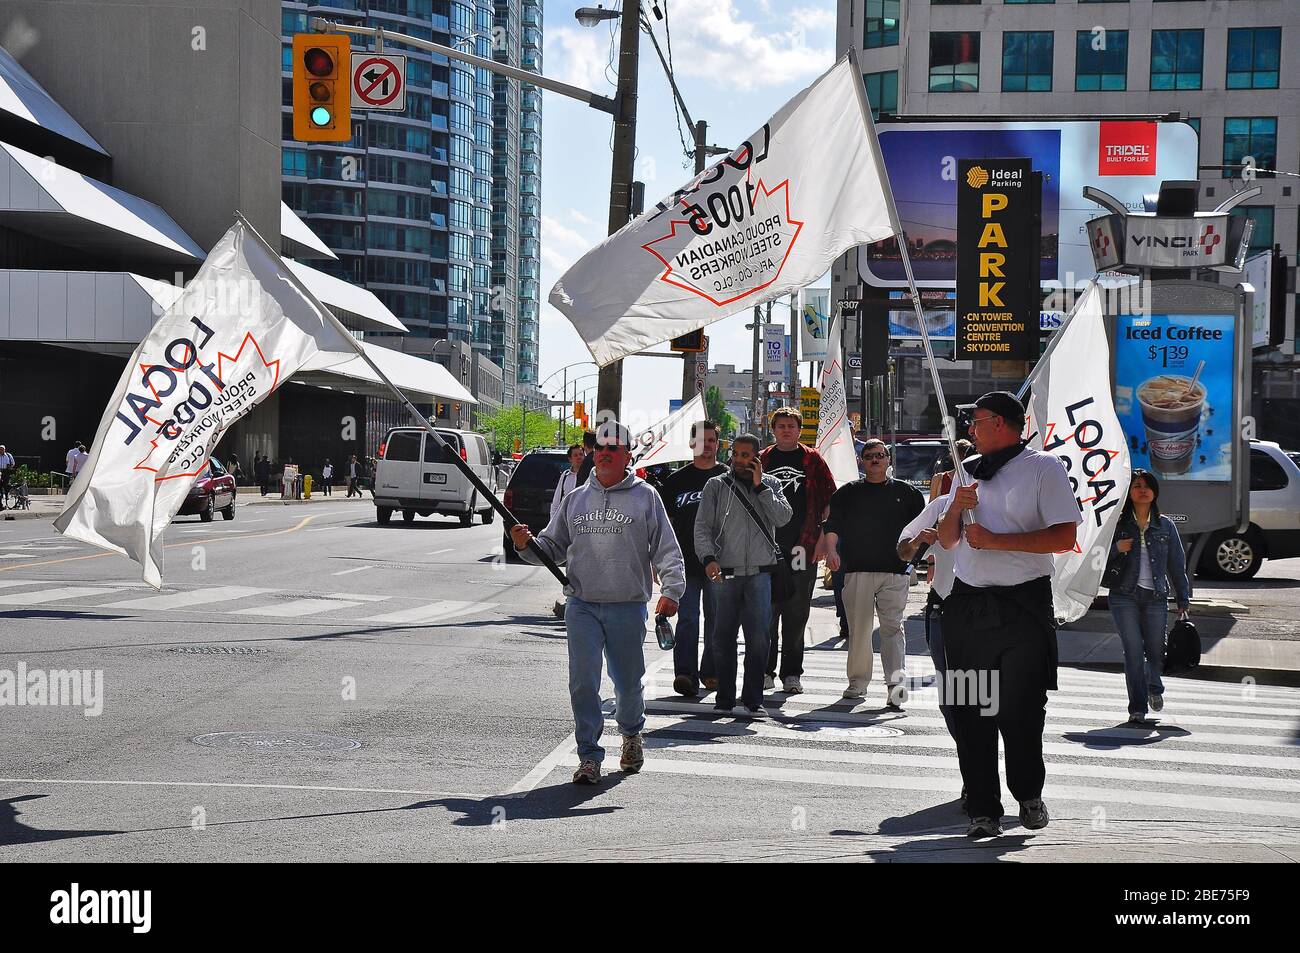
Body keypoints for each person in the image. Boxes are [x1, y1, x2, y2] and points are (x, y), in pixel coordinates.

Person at [938, 392, 1082, 839]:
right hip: (968, 605)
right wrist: (956, 507)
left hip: (1023, 607)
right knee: (969, 709)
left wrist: (996, 541)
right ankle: (983, 808)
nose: (969, 429)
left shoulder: (1044, 468)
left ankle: (1028, 793)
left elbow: (1063, 536)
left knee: (1020, 710)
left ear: (1000, 423)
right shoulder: (967, 472)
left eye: (976, 421)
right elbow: (946, 540)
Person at [511, 421, 685, 786]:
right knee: (583, 683)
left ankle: (631, 734)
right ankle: (589, 756)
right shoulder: (576, 499)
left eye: (613, 448)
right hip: (583, 605)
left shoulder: (646, 497)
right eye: (599, 448)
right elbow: (551, 549)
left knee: (626, 683)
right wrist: (525, 544)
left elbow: (667, 549)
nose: (604, 453)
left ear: (627, 456)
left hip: (627, 605)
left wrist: (672, 591)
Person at [695, 434, 793, 717]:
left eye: (746, 455)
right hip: (724, 573)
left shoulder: (772, 484)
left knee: (760, 638)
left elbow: (783, 518)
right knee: (722, 636)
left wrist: (762, 488)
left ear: (757, 458)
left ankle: (753, 699)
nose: (739, 460)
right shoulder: (716, 485)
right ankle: (724, 698)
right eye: (736, 454)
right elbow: (702, 527)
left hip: (760, 575)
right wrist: (708, 558)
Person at [824, 439, 925, 709]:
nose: (875, 460)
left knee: (893, 628)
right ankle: (857, 682)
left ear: (888, 460)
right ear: (862, 461)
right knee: (859, 631)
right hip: (857, 570)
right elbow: (832, 525)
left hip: (895, 572)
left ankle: (895, 686)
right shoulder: (847, 493)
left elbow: (923, 530)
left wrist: (917, 559)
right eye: (869, 456)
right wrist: (831, 551)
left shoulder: (908, 493)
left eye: (880, 455)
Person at [758, 406, 837, 694]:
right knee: (766, 612)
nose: (786, 430)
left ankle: (792, 674)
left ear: (799, 429)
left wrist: (822, 539)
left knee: (797, 612)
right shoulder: (762, 459)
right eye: (781, 426)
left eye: (791, 425)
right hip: (766, 548)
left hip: (803, 545)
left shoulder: (812, 459)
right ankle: (764, 671)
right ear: (773, 429)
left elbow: (830, 501)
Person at [1107, 469, 1191, 724]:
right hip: (1123, 595)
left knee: (1156, 652)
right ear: (1129, 492)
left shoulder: (1165, 525)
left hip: (1156, 596)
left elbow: (1177, 565)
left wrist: (1183, 598)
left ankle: (1154, 687)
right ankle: (1137, 708)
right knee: (1133, 651)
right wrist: (1116, 548)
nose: (1142, 489)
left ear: (1154, 492)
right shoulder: (1118, 524)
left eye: (1147, 486)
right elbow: (1095, 557)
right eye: (1136, 486)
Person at [659, 420, 727, 698]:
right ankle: (685, 674)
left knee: (718, 618)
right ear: (691, 443)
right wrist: (659, 562)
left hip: (720, 562)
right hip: (684, 562)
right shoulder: (676, 481)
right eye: (701, 440)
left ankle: (711, 671)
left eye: (712, 440)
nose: (707, 445)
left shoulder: (727, 478)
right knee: (687, 618)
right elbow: (664, 526)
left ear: (718, 445)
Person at [548, 443, 586, 618]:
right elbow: (556, 503)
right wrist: (554, 525)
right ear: (570, 458)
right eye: (576, 455)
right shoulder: (565, 477)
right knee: (569, 560)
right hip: (567, 525)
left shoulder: (589, 476)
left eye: (581, 454)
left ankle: (578, 592)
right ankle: (570, 593)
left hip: (583, 525)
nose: (579, 457)